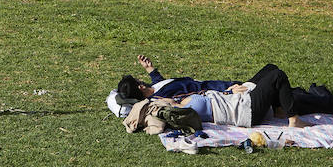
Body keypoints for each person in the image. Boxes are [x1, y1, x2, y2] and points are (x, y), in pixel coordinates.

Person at [108, 55, 333, 120]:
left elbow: (160, 84)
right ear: (140, 87)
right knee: (274, 76)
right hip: (228, 93)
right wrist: (229, 91)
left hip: (226, 89)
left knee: (271, 73)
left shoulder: (157, 87)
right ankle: (328, 103)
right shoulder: (164, 96)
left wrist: (152, 70)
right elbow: (194, 96)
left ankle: (307, 97)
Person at [122, 64, 319, 131]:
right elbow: (158, 102)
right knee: (277, 76)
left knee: (271, 69)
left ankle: (279, 109)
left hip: (236, 100)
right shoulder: (178, 109)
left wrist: (152, 72)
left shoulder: (179, 100)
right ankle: (293, 120)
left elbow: (163, 88)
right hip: (246, 111)